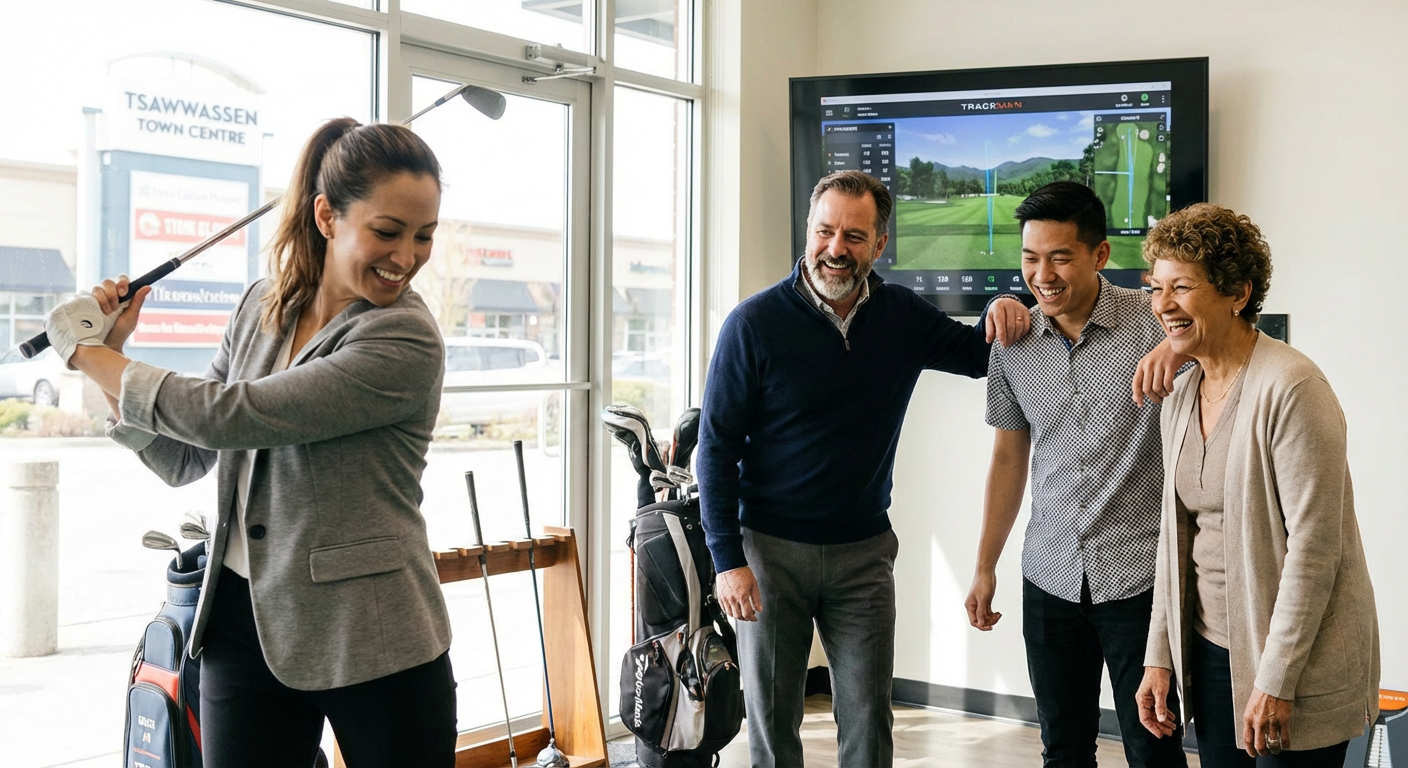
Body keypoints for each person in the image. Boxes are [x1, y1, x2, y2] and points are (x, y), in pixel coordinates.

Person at [44, 117, 457, 766]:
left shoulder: (403, 338)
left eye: (423, 235)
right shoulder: (260, 307)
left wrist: (89, 356)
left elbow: (231, 415)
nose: (406, 256)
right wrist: (114, 359)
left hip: (373, 631)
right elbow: (186, 456)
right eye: (387, 231)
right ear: (327, 215)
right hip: (242, 618)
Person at [696, 169, 1030, 767]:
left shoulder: (902, 314)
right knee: (772, 724)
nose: (835, 249)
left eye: (854, 236)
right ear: (808, 231)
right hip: (770, 555)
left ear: (879, 245)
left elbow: (978, 353)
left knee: (869, 718)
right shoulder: (752, 325)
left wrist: (1006, 304)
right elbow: (715, 448)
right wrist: (728, 563)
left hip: (864, 555)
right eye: (825, 231)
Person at [1134, 203, 1380, 766]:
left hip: (1295, 663)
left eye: (1183, 287)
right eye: (1157, 288)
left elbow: (1316, 550)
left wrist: (1276, 679)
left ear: (1238, 294)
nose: (1164, 305)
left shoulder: (1292, 387)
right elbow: (1175, 539)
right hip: (1212, 650)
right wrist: (1160, 656)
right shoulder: (1182, 390)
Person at [965, 181, 1188, 768]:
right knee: (1062, 748)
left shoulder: (1156, 322)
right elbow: (1009, 459)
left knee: (1153, 748)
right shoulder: (1012, 341)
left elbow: (1234, 328)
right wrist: (985, 565)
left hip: (1141, 578)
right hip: (1051, 573)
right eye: (1030, 258)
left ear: (1100, 255)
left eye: (1060, 257)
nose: (1043, 275)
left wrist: (1184, 347)